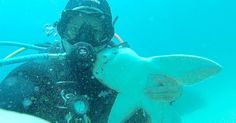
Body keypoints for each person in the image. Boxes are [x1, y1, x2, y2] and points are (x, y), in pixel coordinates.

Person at [0, 0, 149, 122]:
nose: (84, 40)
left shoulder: (127, 80)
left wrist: (163, 96)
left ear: (108, 36)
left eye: (96, 32)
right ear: (61, 30)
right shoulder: (34, 74)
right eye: (74, 29)